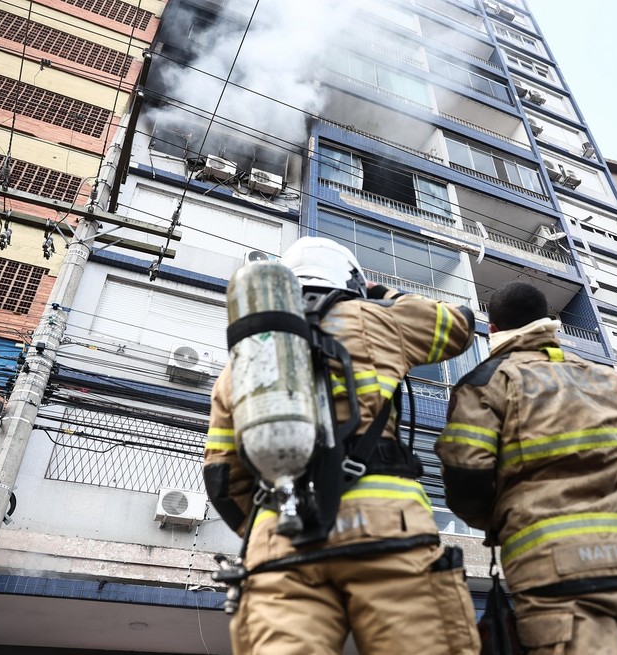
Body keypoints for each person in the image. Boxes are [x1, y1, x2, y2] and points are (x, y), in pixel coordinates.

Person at [203, 236, 481, 655]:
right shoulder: (379, 319)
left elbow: (222, 478)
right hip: (386, 530)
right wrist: (380, 294)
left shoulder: (246, 357)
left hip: (280, 541)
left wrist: (274, 530)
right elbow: (458, 325)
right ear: (351, 279)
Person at [436, 281, 617, 655]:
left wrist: (500, 519)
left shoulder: (486, 383)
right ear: (546, 321)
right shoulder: (604, 378)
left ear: (493, 329)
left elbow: (465, 479)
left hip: (552, 569)